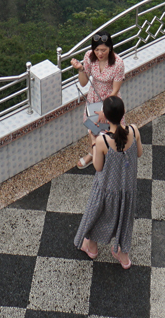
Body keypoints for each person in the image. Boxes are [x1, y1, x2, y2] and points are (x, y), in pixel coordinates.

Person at [73, 95, 140, 269]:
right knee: (124, 220)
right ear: (123, 112)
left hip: (106, 188)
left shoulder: (103, 141)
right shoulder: (133, 130)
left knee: (98, 215)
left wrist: (93, 143)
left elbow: (98, 166)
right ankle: (123, 257)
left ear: (106, 117)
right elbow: (139, 153)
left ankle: (92, 248)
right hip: (127, 189)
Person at [69, 33, 124, 169]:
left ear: (110, 48)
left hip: (111, 100)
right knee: (93, 128)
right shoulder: (89, 56)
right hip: (94, 97)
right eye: (97, 50)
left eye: (103, 50)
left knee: (113, 128)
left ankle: (114, 153)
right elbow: (83, 83)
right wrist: (81, 69)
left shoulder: (118, 63)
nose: (100, 53)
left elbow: (115, 90)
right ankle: (93, 153)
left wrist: (105, 111)